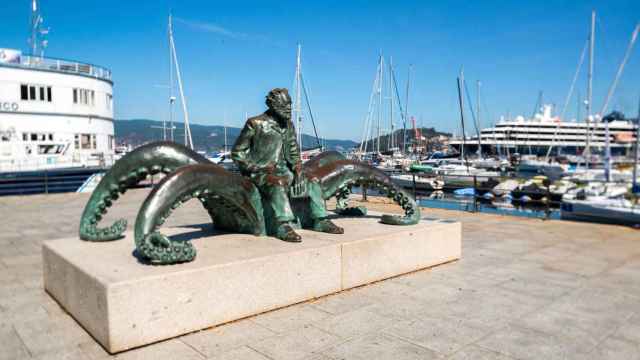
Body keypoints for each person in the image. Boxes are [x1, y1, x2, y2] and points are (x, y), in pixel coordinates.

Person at [231, 88, 343, 242]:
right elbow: (238, 153)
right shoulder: (255, 123)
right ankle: (283, 224)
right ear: (273, 106)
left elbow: (293, 149)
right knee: (277, 183)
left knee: (312, 181)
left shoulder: (288, 124)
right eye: (285, 106)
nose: (289, 109)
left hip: (286, 170)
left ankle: (320, 220)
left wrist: (298, 169)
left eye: (290, 105)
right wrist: (255, 168)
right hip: (262, 172)